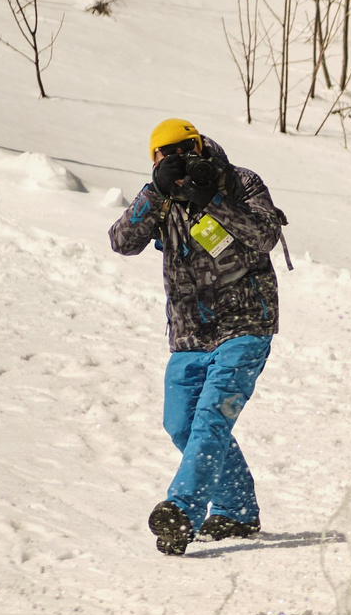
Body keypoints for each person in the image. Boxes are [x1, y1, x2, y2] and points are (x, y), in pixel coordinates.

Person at [108, 119, 286, 557]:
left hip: (245, 324)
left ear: (200, 145)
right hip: (189, 333)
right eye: (162, 155)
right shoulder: (161, 197)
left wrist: (213, 200)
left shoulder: (240, 182)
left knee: (211, 419)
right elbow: (121, 241)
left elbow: (265, 235)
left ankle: (182, 510)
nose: (176, 160)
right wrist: (155, 192)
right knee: (181, 424)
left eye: (182, 149)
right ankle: (237, 510)